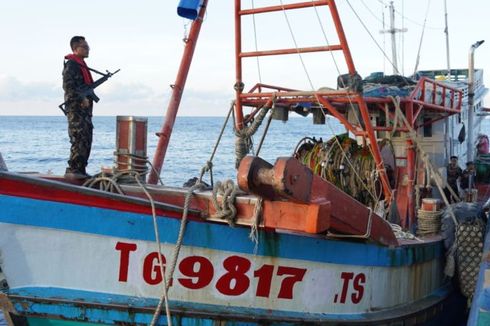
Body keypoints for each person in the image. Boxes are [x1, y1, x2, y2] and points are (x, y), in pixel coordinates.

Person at [62, 36, 94, 179]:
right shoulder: (72, 65)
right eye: (85, 47)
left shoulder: (81, 65)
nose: (88, 49)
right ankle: (74, 170)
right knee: (78, 137)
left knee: (86, 138)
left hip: (84, 110)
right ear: (75, 49)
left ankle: (81, 170)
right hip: (76, 109)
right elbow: (68, 87)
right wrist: (82, 98)